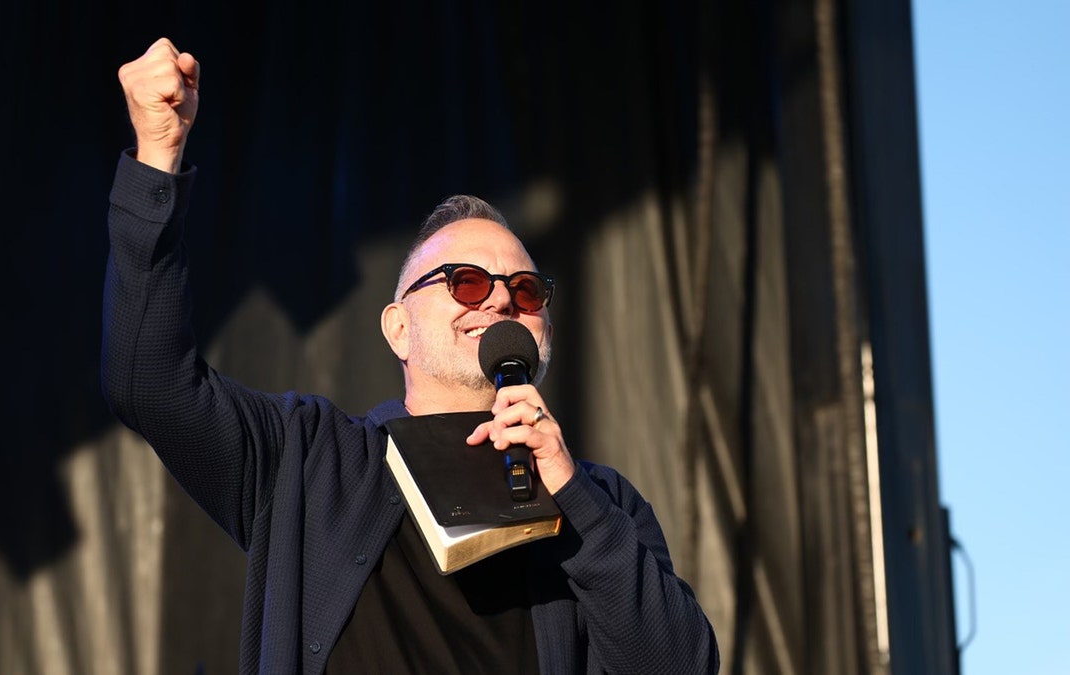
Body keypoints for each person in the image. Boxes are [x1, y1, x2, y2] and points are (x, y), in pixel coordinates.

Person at [102, 37, 720, 675]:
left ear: (546, 336)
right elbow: (150, 385)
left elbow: (681, 664)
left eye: (527, 291)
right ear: (397, 328)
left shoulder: (604, 504)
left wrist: (573, 496)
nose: (502, 303)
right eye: (467, 282)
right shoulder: (307, 459)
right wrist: (157, 156)